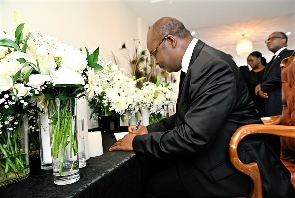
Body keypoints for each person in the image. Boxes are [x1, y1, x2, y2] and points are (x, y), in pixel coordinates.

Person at [109, 17, 294, 198]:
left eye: (154, 52)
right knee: (153, 167)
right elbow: (184, 116)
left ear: (171, 40)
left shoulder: (212, 65)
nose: (155, 61)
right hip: (217, 150)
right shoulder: (197, 64)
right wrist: (147, 130)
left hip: (234, 163)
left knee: (153, 187)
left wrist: (135, 142)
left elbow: (193, 136)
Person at [255, 32, 294, 116]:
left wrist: (263, 86)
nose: (268, 41)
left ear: (283, 40)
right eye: (267, 40)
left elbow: (284, 75)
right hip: (271, 106)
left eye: (272, 38)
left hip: (285, 105)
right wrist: (260, 89)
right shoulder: (271, 62)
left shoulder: (291, 54)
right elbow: (264, 79)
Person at [245, 51, 267, 116]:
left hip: (269, 103)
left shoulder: (268, 71)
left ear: (259, 59)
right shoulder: (248, 75)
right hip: (256, 106)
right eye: (248, 61)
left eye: (251, 60)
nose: (249, 63)